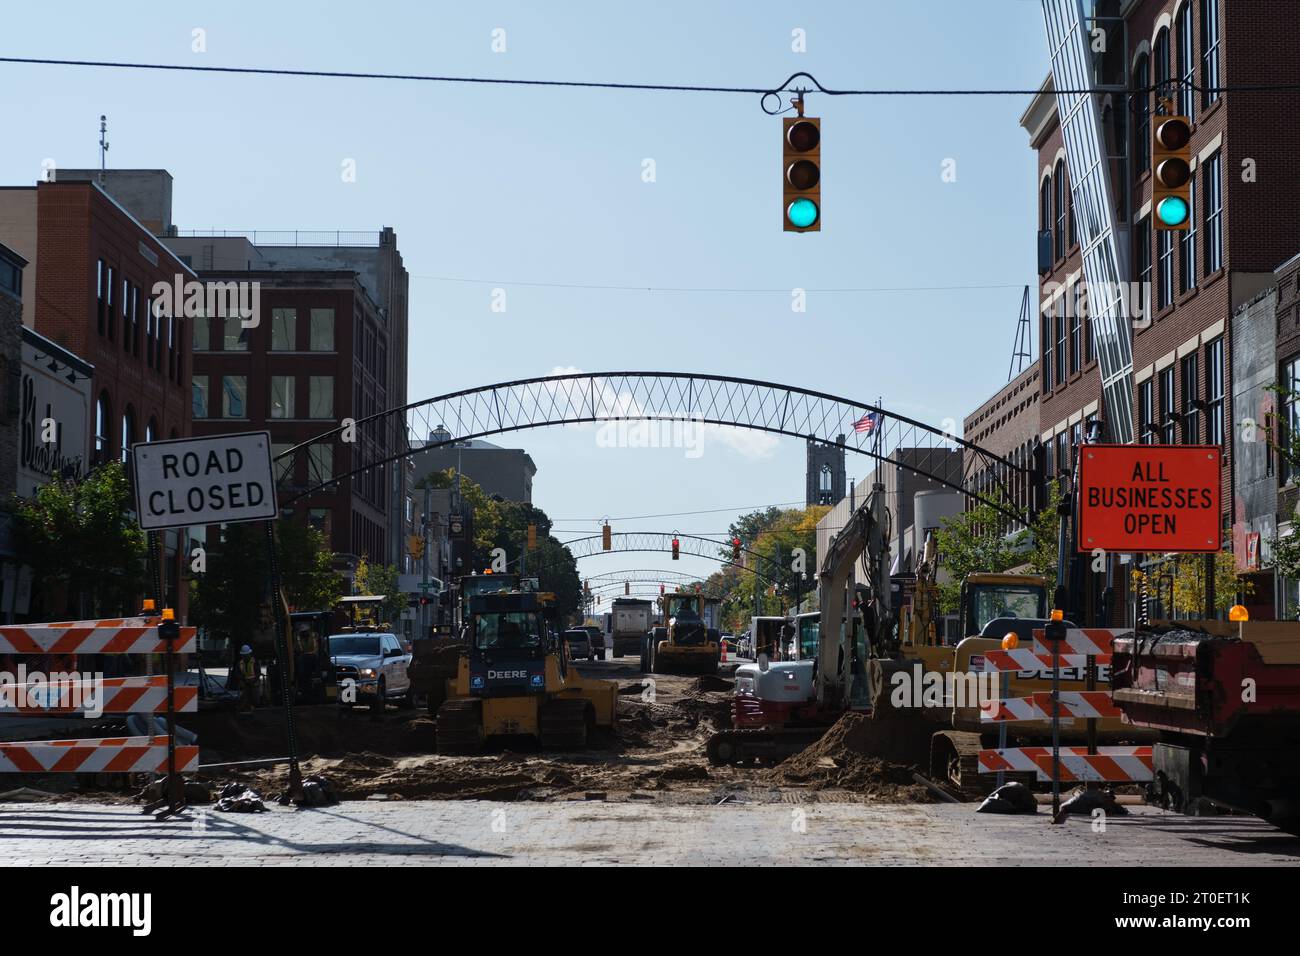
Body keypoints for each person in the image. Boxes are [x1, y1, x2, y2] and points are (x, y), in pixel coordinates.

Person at [238, 645, 258, 713]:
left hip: (254, 682)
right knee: (245, 696)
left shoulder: (254, 661)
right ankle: (246, 708)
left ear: (249, 654)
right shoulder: (241, 663)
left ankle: (254, 708)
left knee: (254, 697)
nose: (245, 656)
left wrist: (254, 680)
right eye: (244, 655)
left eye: (246, 655)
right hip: (245, 682)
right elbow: (237, 673)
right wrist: (242, 679)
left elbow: (258, 672)